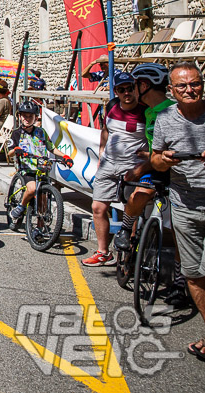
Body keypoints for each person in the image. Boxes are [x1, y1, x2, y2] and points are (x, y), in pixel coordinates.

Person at [149, 62, 205, 361]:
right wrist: (164, 161)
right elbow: (156, 159)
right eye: (182, 86)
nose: (189, 90)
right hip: (184, 203)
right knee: (194, 273)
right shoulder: (165, 118)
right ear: (171, 90)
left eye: (194, 84)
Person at [83, 71, 147, 267]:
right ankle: (103, 252)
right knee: (98, 208)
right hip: (108, 165)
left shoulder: (146, 111)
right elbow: (106, 130)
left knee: (132, 209)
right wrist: (102, 153)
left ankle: (130, 253)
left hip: (132, 167)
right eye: (121, 90)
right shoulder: (111, 107)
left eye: (129, 88)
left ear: (135, 88)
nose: (126, 93)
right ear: (116, 92)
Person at [114, 63, 173, 252]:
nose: (132, 90)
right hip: (155, 166)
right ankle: (125, 230)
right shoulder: (148, 111)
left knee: (178, 229)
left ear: (145, 86)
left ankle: (180, 277)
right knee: (138, 194)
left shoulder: (172, 110)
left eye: (135, 85)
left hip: (174, 170)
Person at [7, 101, 73, 228]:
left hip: (43, 169)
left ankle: (40, 228)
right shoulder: (16, 133)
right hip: (27, 169)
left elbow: (51, 148)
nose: (27, 119)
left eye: (30, 116)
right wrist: (16, 150)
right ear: (20, 116)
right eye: (24, 116)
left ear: (35, 118)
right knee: (32, 189)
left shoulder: (41, 132)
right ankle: (21, 207)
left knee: (43, 201)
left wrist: (65, 156)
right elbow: (10, 151)